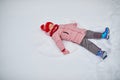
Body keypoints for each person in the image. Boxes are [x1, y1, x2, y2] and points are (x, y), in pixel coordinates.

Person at [40, 22, 110, 60]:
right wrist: (63, 50)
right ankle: (100, 53)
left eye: (51, 24)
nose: (52, 25)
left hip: (80, 31)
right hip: (77, 38)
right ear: (48, 30)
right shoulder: (54, 34)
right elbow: (58, 41)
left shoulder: (59, 26)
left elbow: (67, 25)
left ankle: (103, 35)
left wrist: (72, 24)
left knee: (91, 33)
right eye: (50, 26)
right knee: (89, 44)